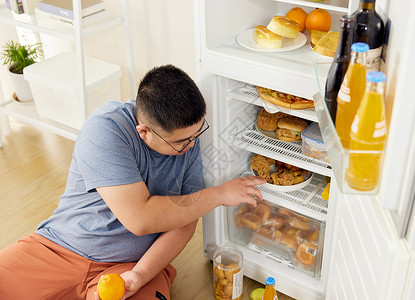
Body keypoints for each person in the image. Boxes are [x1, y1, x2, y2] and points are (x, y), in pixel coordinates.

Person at [0, 65, 265, 299]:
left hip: (133, 265)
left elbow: (184, 222)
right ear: (144, 132)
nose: (192, 144)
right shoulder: (105, 130)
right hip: (59, 250)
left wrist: (140, 274)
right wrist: (218, 195)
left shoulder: (188, 141)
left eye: (197, 133)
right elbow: (140, 218)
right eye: (181, 141)